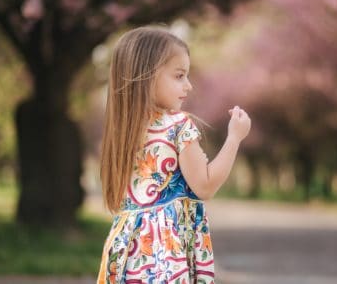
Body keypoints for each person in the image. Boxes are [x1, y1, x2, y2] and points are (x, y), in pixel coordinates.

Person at [97, 25, 251, 283]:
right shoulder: (178, 126)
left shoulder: (121, 131)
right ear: (146, 76)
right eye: (179, 76)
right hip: (165, 252)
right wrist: (234, 138)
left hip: (126, 250)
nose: (188, 86)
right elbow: (205, 186)